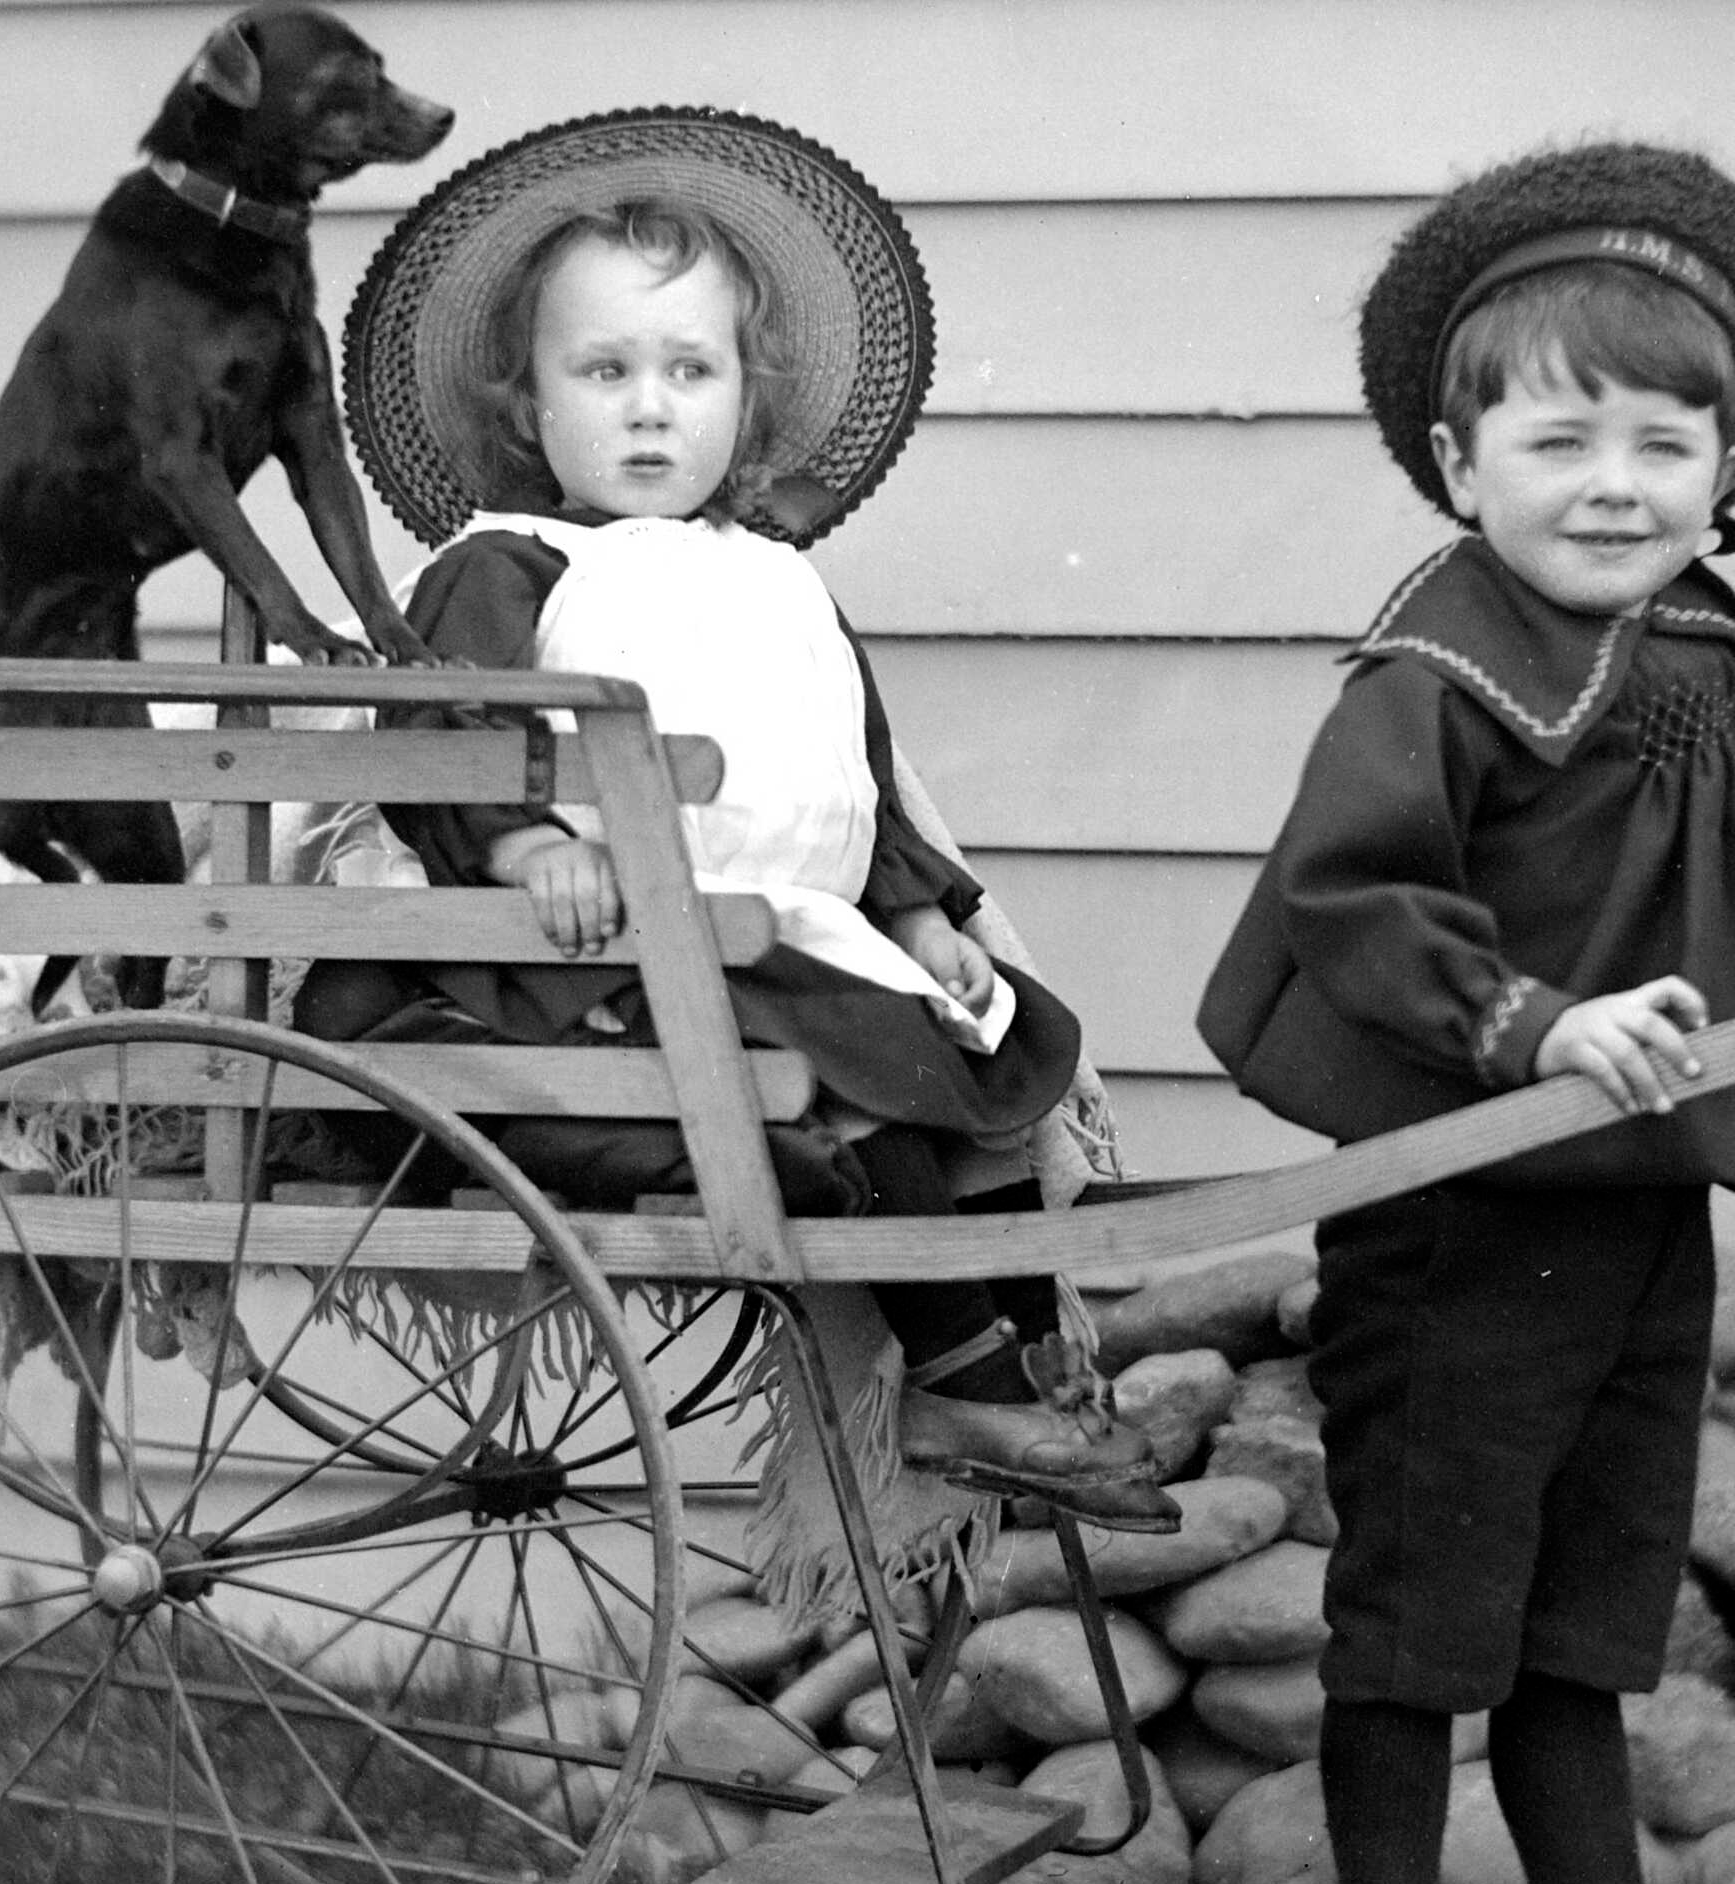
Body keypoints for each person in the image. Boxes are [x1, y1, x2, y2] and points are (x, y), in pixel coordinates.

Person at [1197, 140, 1735, 1884]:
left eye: (1666, 447)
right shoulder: (1438, 674)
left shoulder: (1684, 658)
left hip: (1632, 1209)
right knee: (1419, 1618)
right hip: (1456, 1209)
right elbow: (1354, 900)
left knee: (1591, 1611)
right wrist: (1531, 1020)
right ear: (1453, 453)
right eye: (1561, 439)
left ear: (1726, 471)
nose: (1614, 486)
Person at [312, 109, 1166, 1523]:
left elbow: (848, 763)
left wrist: (915, 909)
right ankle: (964, 1377)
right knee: (857, 1083)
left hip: (783, 931)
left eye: (688, 371)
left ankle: (1017, 1348)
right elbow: (445, 733)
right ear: (526, 407)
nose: (650, 406)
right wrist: (528, 841)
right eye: (603, 370)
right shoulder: (505, 566)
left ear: (742, 402)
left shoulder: (769, 577)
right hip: (595, 958)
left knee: (984, 1039)